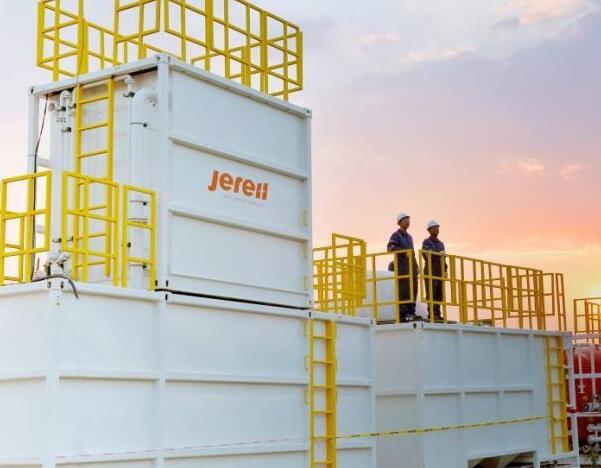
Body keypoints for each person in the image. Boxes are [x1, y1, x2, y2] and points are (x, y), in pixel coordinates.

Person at [387, 212, 419, 322]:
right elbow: (390, 248)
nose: (408, 222)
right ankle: (403, 314)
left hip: (411, 268)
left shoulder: (409, 237)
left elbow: (412, 253)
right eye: (405, 220)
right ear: (400, 222)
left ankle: (411, 313)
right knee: (404, 291)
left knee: (413, 290)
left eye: (408, 220)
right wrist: (403, 251)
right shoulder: (396, 235)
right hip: (402, 268)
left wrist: (416, 266)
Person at [422, 220, 447, 321]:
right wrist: (438, 253)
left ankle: (438, 313)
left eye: (437, 228)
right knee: (431, 293)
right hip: (430, 271)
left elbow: (443, 259)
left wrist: (445, 270)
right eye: (434, 228)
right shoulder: (426, 242)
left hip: (439, 271)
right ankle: (432, 314)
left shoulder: (441, 244)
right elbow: (426, 255)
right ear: (429, 230)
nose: (437, 229)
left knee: (439, 293)